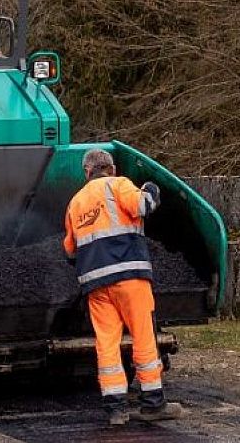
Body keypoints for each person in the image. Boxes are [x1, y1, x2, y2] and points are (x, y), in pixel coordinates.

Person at [63, 148, 182, 424]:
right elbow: (144, 206)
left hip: (95, 285)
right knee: (143, 336)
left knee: (107, 343)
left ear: (86, 172)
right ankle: (153, 403)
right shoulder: (119, 185)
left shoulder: (76, 202)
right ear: (112, 168)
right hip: (130, 277)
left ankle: (115, 409)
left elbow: (69, 250)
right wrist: (151, 187)